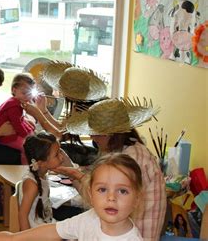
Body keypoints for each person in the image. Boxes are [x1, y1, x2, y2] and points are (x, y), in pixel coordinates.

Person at [62, 98, 166, 239]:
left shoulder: (132, 158)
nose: (92, 137)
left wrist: (78, 175)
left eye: (97, 133)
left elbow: (102, 199)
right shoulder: (122, 151)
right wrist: (75, 174)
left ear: (112, 134)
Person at [0, 153, 144, 240]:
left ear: (137, 199)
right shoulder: (90, 219)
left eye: (122, 191)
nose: (111, 198)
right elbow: (54, 231)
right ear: (90, 194)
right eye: (102, 189)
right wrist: (14, 238)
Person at [0, 73, 62, 164]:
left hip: (12, 133)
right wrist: (28, 135)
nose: (27, 97)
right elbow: (18, 125)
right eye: (24, 93)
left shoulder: (17, 103)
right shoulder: (13, 106)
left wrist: (30, 129)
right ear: (14, 90)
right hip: (5, 137)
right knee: (26, 147)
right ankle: (27, 168)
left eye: (29, 93)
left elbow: (22, 121)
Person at [18, 132, 63, 230]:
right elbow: (22, 215)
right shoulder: (32, 185)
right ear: (41, 163)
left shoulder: (42, 174)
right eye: (57, 154)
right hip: (36, 230)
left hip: (46, 222)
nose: (62, 157)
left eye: (60, 151)